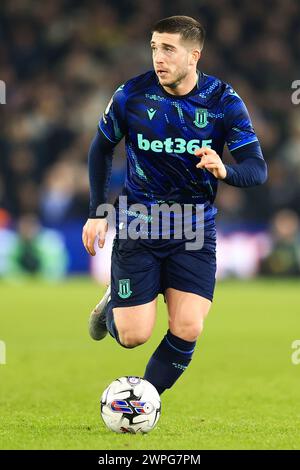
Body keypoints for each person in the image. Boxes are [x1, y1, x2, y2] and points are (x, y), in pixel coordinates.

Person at [82, 16, 267, 395]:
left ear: (194, 55)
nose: (158, 57)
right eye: (154, 47)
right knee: (133, 337)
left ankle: (142, 399)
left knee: (188, 328)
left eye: (168, 49)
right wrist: (97, 212)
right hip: (139, 224)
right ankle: (115, 305)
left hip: (194, 229)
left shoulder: (223, 102)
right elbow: (100, 148)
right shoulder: (131, 95)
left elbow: (257, 169)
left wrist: (225, 170)